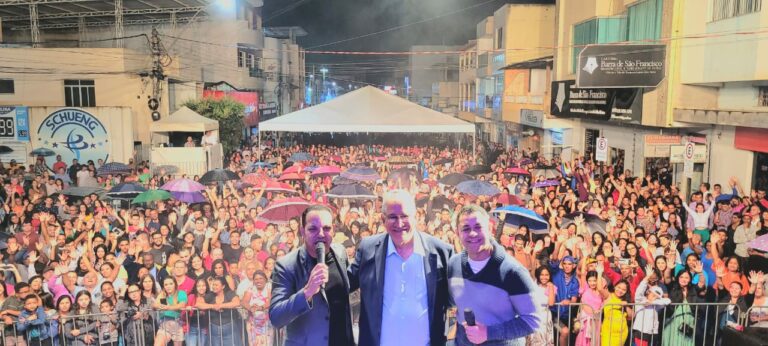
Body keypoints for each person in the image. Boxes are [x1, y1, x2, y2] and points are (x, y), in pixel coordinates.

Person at [348, 190, 454, 346]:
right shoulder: (368, 249)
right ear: (383, 219)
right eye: (392, 217)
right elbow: (343, 284)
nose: (399, 223)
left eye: (404, 216)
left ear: (416, 217)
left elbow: (463, 297)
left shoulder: (441, 252)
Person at [447, 205, 543, 345]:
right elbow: (451, 306)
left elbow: (533, 320)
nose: (472, 233)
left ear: (490, 229)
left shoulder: (513, 271)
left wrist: (488, 333)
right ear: (457, 233)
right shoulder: (453, 264)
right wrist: (451, 337)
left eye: (478, 227)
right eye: (466, 229)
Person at [269, 205, 354, 346]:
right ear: (302, 231)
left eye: (326, 228)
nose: (321, 234)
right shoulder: (286, 266)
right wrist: (307, 292)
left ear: (333, 230)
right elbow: (276, 317)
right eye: (313, 229)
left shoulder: (340, 252)